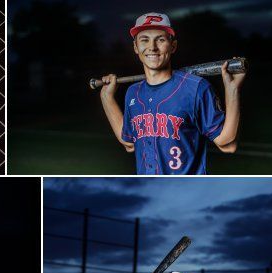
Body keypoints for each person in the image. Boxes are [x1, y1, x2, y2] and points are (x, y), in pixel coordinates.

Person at [99, 12, 245, 175]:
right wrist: (106, 97)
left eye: (160, 39)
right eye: (144, 39)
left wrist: (232, 90)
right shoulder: (133, 93)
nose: (152, 47)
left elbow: (227, 144)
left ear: (173, 45)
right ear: (135, 47)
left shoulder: (196, 88)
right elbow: (129, 143)